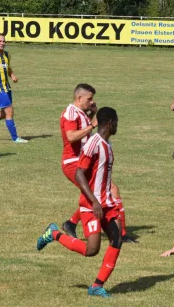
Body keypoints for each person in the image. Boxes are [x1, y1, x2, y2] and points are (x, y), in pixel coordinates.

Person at [37, 107, 123, 298]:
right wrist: (94, 201)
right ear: (109, 122)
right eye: (116, 121)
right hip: (91, 204)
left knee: (116, 240)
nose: (117, 125)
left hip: (105, 203)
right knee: (91, 250)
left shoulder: (107, 145)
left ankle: (96, 286)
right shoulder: (94, 143)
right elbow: (78, 173)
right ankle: (55, 233)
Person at [59, 84, 135, 243]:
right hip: (73, 162)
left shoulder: (82, 112)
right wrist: (92, 124)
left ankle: (71, 223)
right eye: (89, 99)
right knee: (109, 190)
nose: (92, 102)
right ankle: (121, 234)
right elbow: (71, 136)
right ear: (79, 98)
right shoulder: (70, 113)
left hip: (85, 161)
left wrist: (93, 114)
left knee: (98, 193)